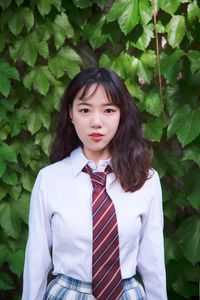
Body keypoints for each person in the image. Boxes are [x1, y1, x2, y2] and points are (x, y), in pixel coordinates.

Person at [22, 67, 167, 300]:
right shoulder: (49, 180)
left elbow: (153, 262)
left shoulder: (146, 180)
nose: (96, 122)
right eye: (85, 110)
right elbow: (36, 262)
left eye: (108, 110)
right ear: (71, 113)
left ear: (122, 115)